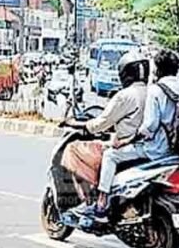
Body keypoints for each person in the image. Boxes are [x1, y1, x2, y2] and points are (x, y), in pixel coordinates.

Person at [62, 50, 150, 223]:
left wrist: (80, 124)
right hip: (151, 146)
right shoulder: (153, 94)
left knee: (78, 150)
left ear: (125, 73)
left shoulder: (125, 95)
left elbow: (102, 122)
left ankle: (99, 202)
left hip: (131, 146)